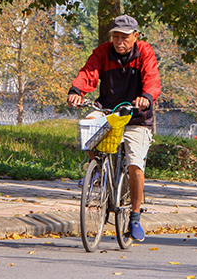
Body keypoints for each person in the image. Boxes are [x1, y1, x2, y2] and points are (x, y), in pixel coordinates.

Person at [68, 14, 161, 242]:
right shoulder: (102, 52)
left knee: (135, 165)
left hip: (136, 116)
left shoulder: (145, 52)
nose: (120, 41)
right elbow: (88, 73)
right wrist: (76, 91)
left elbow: (152, 79)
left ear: (135, 37)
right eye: (116, 36)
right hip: (108, 110)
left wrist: (146, 97)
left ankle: (135, 217)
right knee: (89, 123)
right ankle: (97, 169)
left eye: (125, 37)